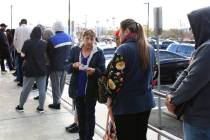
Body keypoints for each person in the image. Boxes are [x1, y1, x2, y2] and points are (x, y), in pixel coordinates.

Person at [106, 19, 155, 140]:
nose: (119, 34)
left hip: (126, 106)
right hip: (145, 104)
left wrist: (109, 99)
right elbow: (154, 77)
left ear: (127, 31)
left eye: (120, 31)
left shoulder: (123, 49)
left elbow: (114, 82)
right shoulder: (150, 49)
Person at [165, 6, 210, 140]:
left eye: (192, 27)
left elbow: (193, 79)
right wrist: (172, 93)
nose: (192, 31)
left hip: (201, 120)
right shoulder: (203, 47)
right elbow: (187, 72)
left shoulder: (208, 47)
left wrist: (173, 99)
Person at [66, 29, 105, 140]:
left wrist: (94, 71)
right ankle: (82, 137)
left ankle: (89, 138)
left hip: (91, 91)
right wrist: (73, 65)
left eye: (91, 39)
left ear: (94, 39)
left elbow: (103, 70)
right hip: (78, 89)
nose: (89, 41)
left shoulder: (98, 52)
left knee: (90, 116)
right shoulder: (74, 50)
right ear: (83, 39)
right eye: (87, 38)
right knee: (81, 116)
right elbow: (67, 67)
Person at [15, 26, 47, 113]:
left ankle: (20, 107)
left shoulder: (27, 42)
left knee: (26, 89)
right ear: (41, 34)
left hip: (30, 69)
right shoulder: (44, 43)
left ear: (32, 33)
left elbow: (22, 55)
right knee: (42, 90)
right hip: (42, 70)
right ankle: (41, 108)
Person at [47, 21, 72, 109]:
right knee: (61, 84)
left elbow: (48, 54)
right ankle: (58, 100)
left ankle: (56, 103)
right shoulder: (69, 38)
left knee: (55, 85)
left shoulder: (52, 39)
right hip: (65, 66)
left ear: (55, 28)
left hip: (55, 66)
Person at [13, 19, 31, 86]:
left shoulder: (17, 29)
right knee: (27, 67)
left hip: (19, 51)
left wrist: (17, 48)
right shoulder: (29, 29)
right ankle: (27, 82)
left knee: (20, 67)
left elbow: (14, 40)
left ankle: (21, 82)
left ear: (21, 22)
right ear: (26, 22)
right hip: (28, 52)